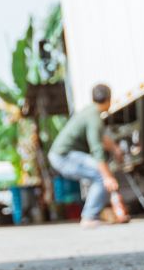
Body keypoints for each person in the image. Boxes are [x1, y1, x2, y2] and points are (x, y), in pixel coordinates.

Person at [48, 83, 128, 227]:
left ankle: (97, 212)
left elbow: (102, 138)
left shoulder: (89, 111)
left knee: (101, 175)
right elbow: (97, 149)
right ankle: (89, 216)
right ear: (109, 99)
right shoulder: (94, 117)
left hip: (62, 155)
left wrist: (115, 149)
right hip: (63, 156)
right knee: (101, 175)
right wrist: (108, 177)